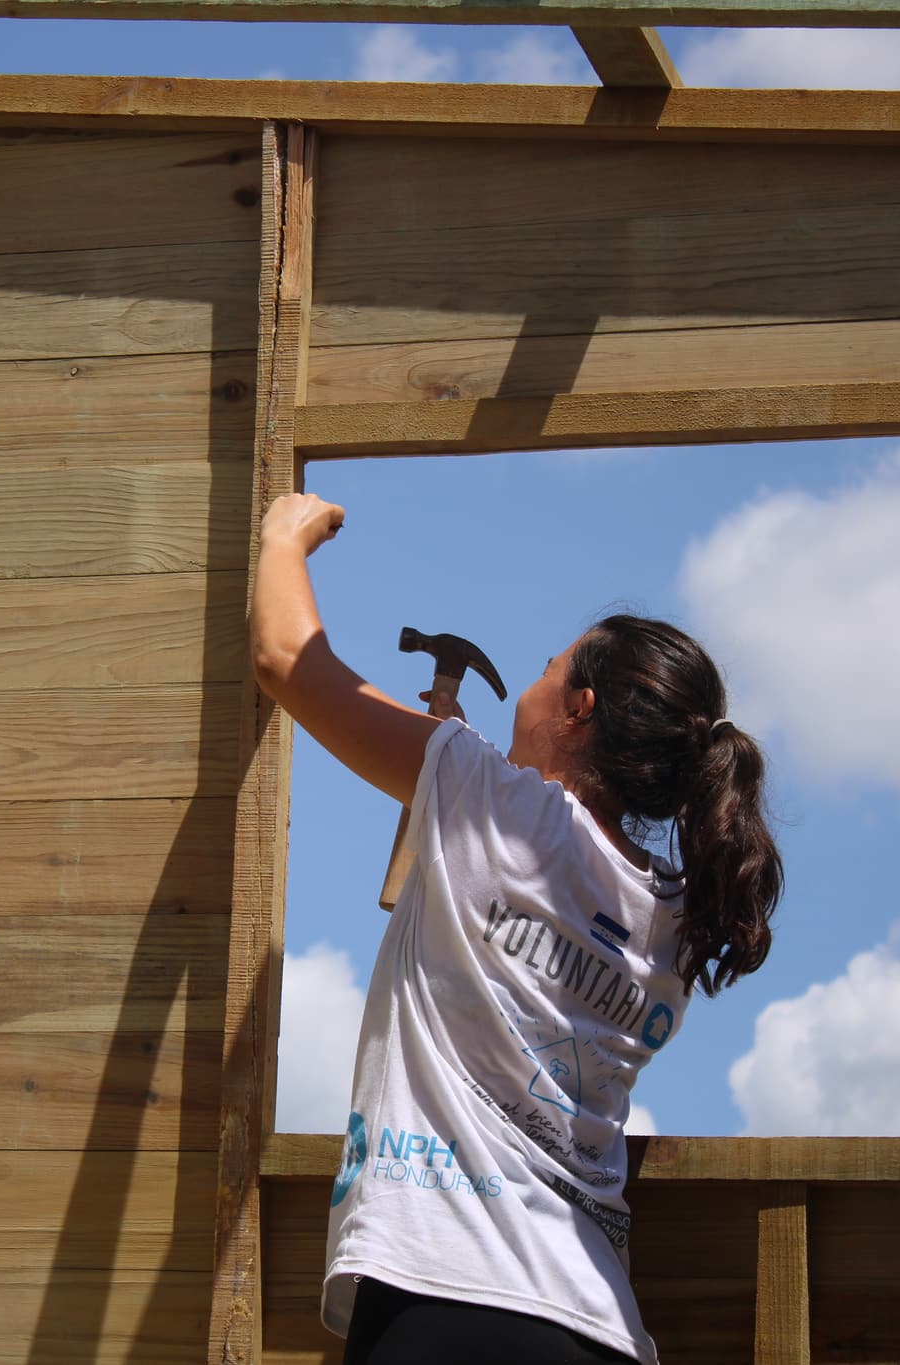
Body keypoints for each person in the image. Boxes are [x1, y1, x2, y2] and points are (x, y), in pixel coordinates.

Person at [251, 492, 784, 1365]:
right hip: (598, 1324)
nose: (526, 685)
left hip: (445, 1298)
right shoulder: (673, 917)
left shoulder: (482, 790)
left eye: (543, 666)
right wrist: (448, 773)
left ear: (577, 707)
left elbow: (284, 659)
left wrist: (283, 538)